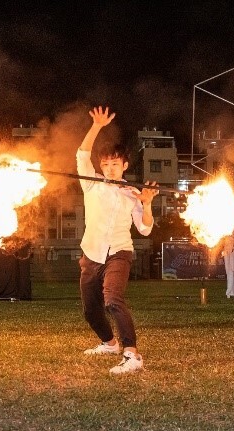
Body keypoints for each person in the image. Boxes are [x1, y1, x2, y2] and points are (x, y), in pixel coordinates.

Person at [77, 106, 158, 374]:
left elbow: (145, 229)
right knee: (91, 309)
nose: (110, 168)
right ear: (102, 166)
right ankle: (109, 343)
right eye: (106, 164)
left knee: (112, 299)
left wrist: (146, 204)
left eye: (116, 164)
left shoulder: (132, 193)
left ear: (124, 165)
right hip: (91, 253)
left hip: (120, 252)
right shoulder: (91, 183)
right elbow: (82, 154)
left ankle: (132, 355)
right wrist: (96, 126)